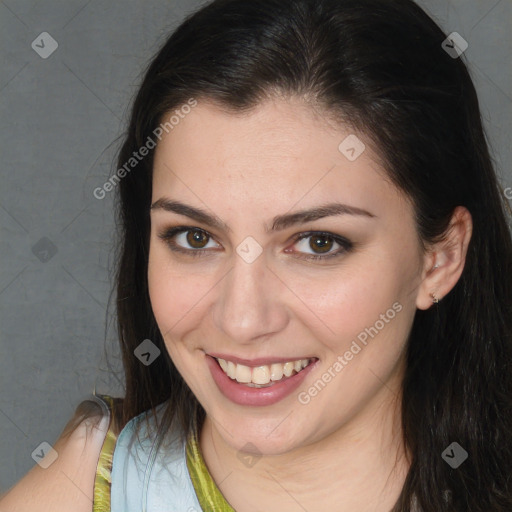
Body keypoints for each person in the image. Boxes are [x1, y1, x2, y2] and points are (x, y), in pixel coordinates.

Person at [1, 0, 511, 510]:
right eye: (195, 238)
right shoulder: (80, 489)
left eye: (318, 243)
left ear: (439, 259)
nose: (242, 320)